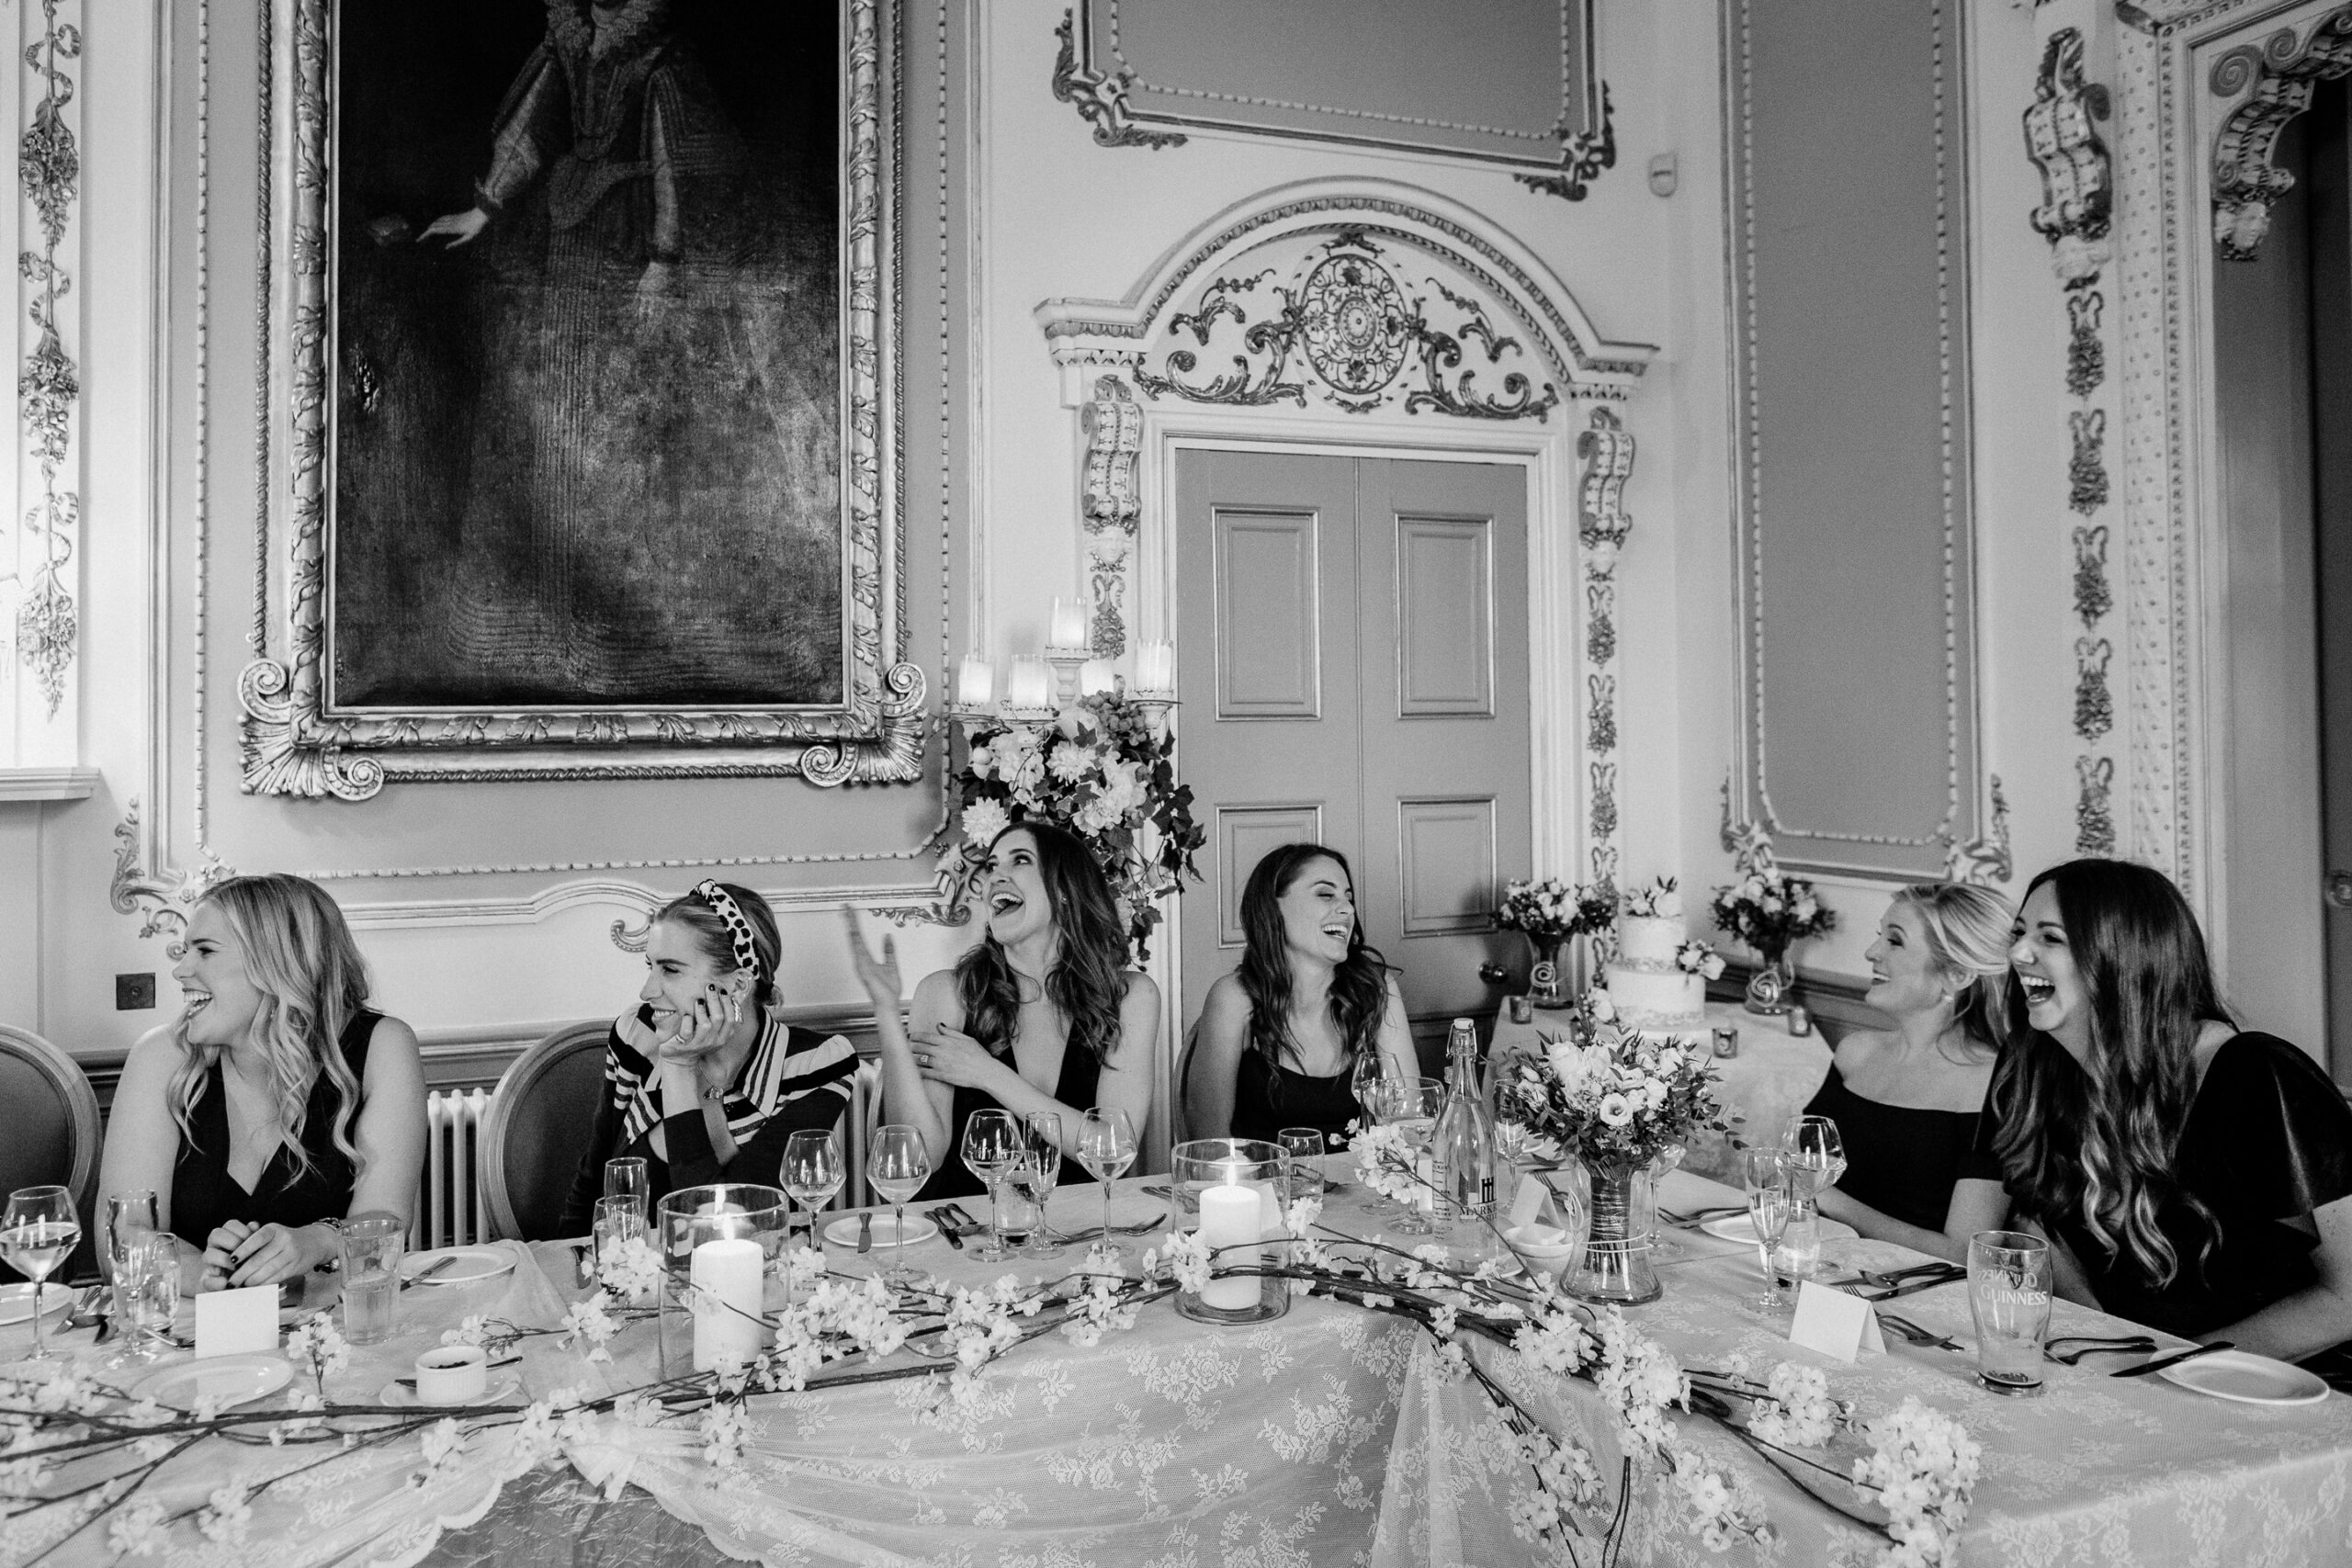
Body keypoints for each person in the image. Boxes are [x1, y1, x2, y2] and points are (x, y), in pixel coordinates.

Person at [1946, 859, 2352, 1360]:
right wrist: (2102, 1344)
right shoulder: (2031, 1065)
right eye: (2019, 933)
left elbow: (2347, 1298)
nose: (2018, 952)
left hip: (2283, 1384)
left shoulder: (2255, 1075)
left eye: (2050, 938)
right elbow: (2035, 1222)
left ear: (2124, 957)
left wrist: (2169, 1367)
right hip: (2132, 1367)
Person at [98, 874, 427, 1292]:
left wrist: (316, 1241)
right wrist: (203, 1273)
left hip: (334, 1329)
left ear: (275, 963)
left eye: (205, 951)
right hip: (191, 1337)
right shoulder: (160, 1058)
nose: (181, 970)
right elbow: (122, 1239)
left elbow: (388, 1221)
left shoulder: (382, 1047)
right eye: (185, 950)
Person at [844, 821, 1159, 1201]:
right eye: (991, 866)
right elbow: (923, 1155)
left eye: (1019, 861)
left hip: (1082, 1238)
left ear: (1063, 890)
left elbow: (1112, 1151)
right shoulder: (948, 992)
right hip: (969, 1239)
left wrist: (987, 1073)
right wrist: (886, 1012)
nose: (995, 877)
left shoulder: (1130, 996)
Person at [558, 882, 856, 1234]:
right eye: (650, 966)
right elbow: (594, 1180)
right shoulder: (637, 1035)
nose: (647, 991)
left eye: (670, 970)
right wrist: (570, 1268)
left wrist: (679, 1068)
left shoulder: (815, 1066)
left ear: (739, 985)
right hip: (629, 1276)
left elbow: (717, 1230)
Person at [1805, 883, 2010, 1253]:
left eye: (1895, 941)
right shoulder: (1854, 1055)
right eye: (1879, 937)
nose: (1872, 953)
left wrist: (1832, 1202)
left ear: (1958, 975)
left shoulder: (1992, 1085)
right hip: (1822, 1273)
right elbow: (1798, 1172)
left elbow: (1967, 1251)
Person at [1184, 843, 1417, 1148]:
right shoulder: (1235, 997)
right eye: (1325, 894)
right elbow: (1209, 1140)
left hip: (1361, 1190)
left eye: (1349, 898)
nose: (1347, 909)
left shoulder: (1375, 987)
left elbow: (1409, 1119)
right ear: (1273, 906)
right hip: (1262, 1189)